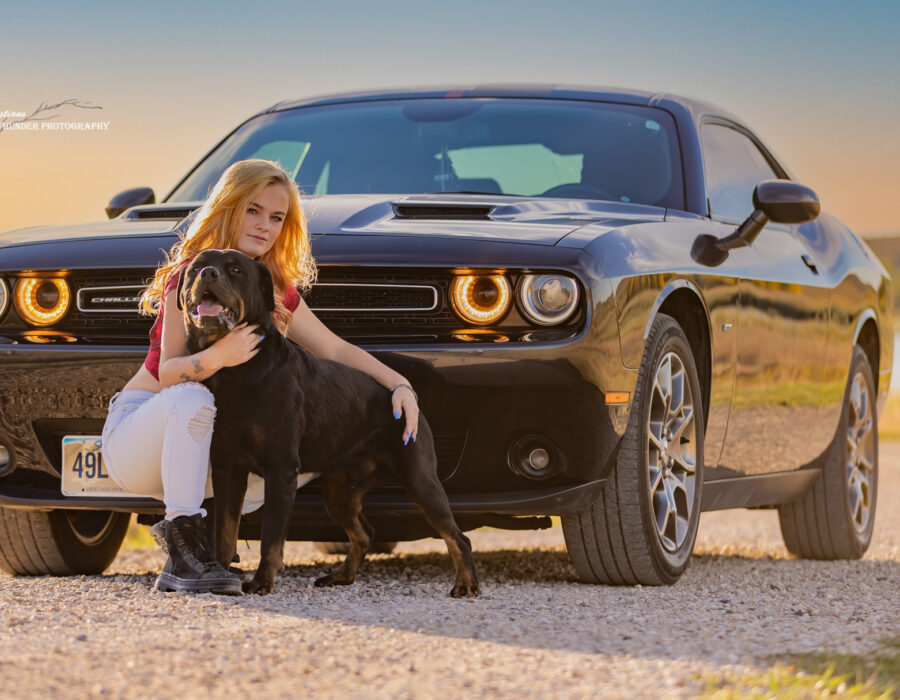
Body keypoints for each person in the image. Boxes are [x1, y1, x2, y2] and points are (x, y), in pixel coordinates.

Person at [100, 159, 420, 594]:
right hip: (141, 435)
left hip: (202, 452)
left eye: (276, 217)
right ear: (229, 207)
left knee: (294, 438)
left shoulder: (273, 289)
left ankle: (213, 551)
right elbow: (169, 373)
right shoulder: (194, 275)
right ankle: (182, 556)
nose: (264, 225)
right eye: (253, 210)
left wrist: (399, 384)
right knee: (196, 398)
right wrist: (219, 355)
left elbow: (336, 349)